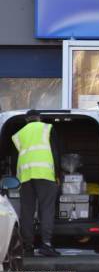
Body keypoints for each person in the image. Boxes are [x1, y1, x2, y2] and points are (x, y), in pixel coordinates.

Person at [12, 110, 60, 257]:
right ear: (39, 118)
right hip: (45, 174)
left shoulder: (18, 135)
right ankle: (46, 244)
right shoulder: (47, 128)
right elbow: (55, 152)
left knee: (26, 211)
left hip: (25, 176)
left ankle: (27, 246)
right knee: (46, 208)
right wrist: (58, 174)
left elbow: (15, 158)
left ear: (27, 120)